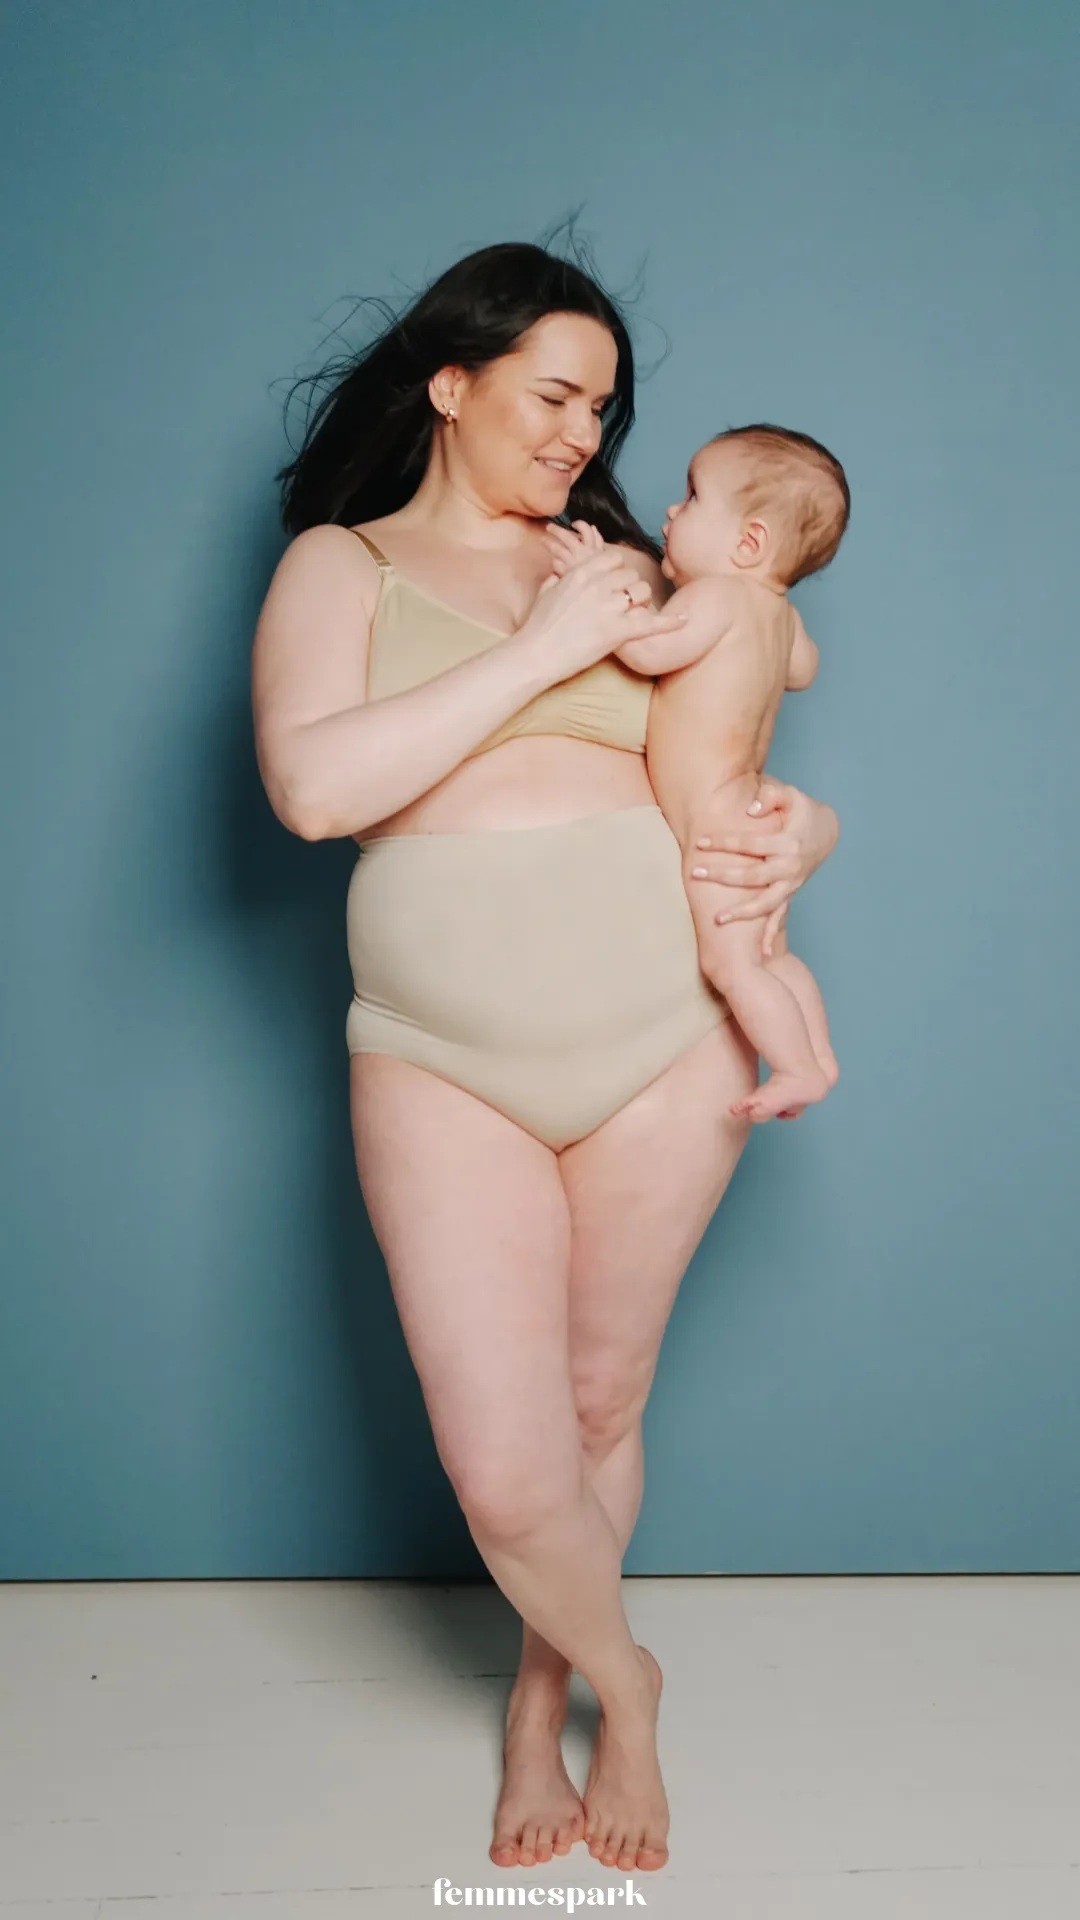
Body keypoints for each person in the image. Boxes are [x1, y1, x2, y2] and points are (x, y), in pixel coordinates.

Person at [251, 241, 840, 1876]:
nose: (586, 433)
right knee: (511, 1475)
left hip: (668, 1037)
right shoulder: (340, 569)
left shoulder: (640, 569)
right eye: (554, 393)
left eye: (606, 407)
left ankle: (546, 1706)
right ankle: (624, 1671)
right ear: (453, 382)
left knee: (598, 1398)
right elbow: (314, 793)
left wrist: (815, 829)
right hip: (445, 1055)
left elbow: (740, 739)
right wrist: (540, 643)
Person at [542, 422, 847, 1124]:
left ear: (748, 546)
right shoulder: (780, 617)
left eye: (693, 496)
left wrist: (595, 581)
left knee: (732, 966)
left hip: (713, 824)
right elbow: (804, 669)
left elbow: (648, 653)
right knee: (770, 950)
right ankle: (820, 1056)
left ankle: (799, 1067)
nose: (673, 512)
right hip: (750, 811)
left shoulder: (715, 598)